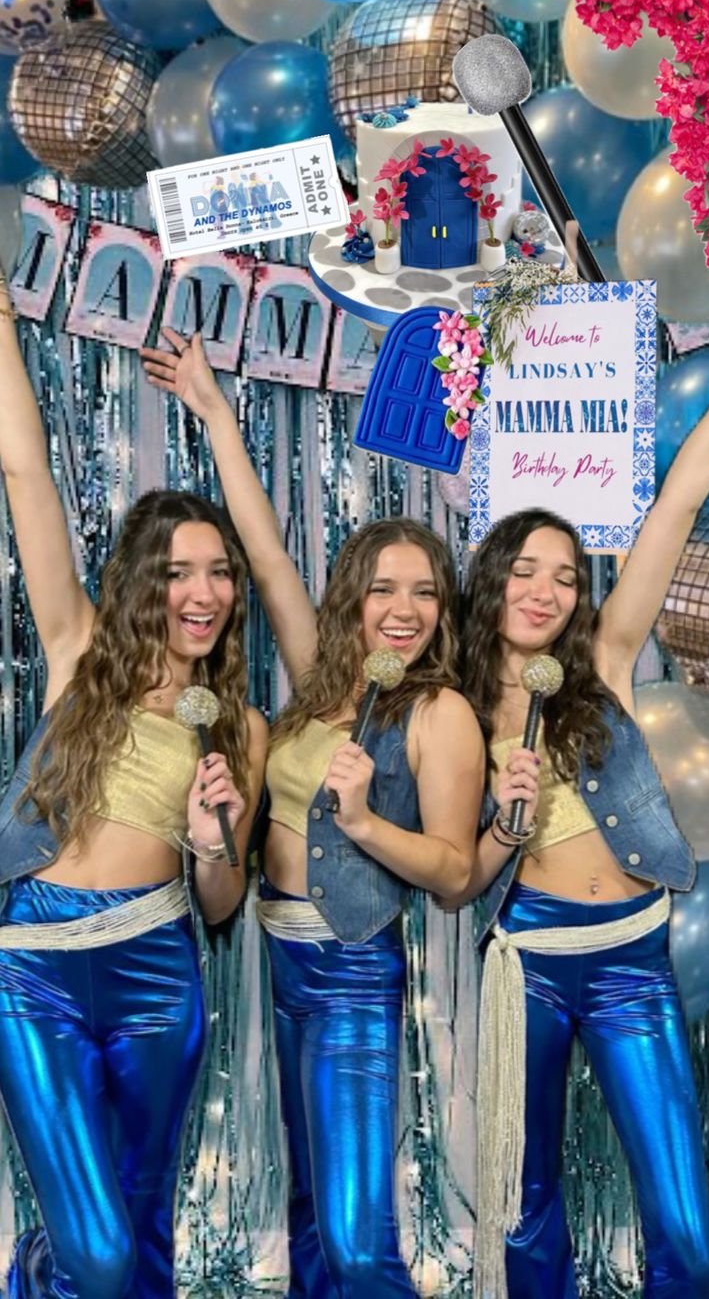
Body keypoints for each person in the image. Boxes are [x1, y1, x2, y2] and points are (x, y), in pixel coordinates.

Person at [140, 329, 486, 1297]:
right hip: (279, 954)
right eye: (383, 589)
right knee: (306, 1218)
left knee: (355, 1229)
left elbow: (456, 878)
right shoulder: (324, 681)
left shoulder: (440, 712)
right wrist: (213, 410)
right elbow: (262, 551)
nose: (403, 609)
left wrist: (368, 821)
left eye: (423, 592)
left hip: (351, 970)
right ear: (353, 603)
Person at [0, 278, 268, 1299]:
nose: (201, 593)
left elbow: (223, 906)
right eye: (178, 572)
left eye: (219, 573)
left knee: (142, 1229)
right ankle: (36, 1272)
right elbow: (27, 474)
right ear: (142, 583)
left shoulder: (237, 727)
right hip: (36, 968)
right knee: (98, 1255)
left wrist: (211, 838)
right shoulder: (77, 653)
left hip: (161, 970)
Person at [458, 363, 709, 1299]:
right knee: (527, 1205)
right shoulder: (450, 712)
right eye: (526, 571)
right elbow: (455, 878)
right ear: (492, 581)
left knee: (684, 1229)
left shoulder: (605, 663)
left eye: (567, 578)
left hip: (628, 954)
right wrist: (507, 818)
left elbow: (682, 495)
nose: (546, 592)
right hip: (525, 958)